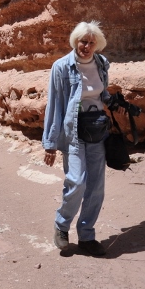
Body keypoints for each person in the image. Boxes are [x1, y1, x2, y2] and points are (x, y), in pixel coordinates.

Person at [42, 20, 113, 257]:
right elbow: (55, 105)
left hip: (96, 131)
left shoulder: (101, 63)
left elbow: (102, 93)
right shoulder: (61, 67)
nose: (87, 46)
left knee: (96, 187)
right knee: (77, 181)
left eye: (92, 43)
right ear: (76, 41)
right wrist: (50, 144)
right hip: (73, 133)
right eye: (84, 41)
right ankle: (61, 227)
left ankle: (87, 235)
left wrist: (114, 101)